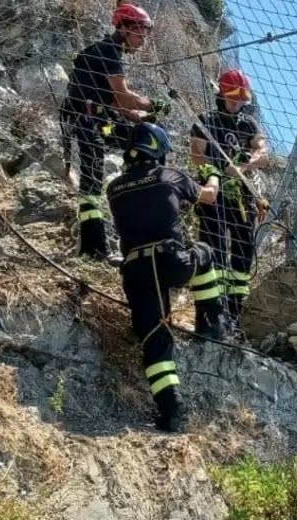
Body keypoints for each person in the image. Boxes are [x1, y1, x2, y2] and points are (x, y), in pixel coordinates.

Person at [105, 123, 225, 433]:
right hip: (171, 260)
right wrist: (215, 174)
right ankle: (210, 325)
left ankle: (171, 411)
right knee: (205, 253)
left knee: (154, 342)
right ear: (158, 151)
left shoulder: (114, 188)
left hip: (136, 271)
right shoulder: (171, 176)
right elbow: (208, 197)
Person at [60, 3, 171, 262]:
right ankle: (93, 247)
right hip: (87, 121)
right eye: (140, 32)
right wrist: (152, 104)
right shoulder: (109, 52)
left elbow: (117, 105)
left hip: (97, 120)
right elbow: (123, 98)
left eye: (145, 32)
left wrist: (145, 117)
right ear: (124, 28)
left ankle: (139, 184)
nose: (144, 38)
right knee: (92, 178)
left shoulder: (107, 52)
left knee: (142, 135)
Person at [189, 68, 270, 335]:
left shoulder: (248, 124)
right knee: (214, 249)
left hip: (241, 197)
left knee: (243, 250)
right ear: (221, 94)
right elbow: (197, 156)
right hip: (213, 194)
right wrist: (216, 172)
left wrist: (245, 164)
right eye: (232, 99)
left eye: (241, 100)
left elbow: (263, 151)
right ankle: (212, 308)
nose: (237, 104)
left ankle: (235, 308)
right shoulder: (205, 121)